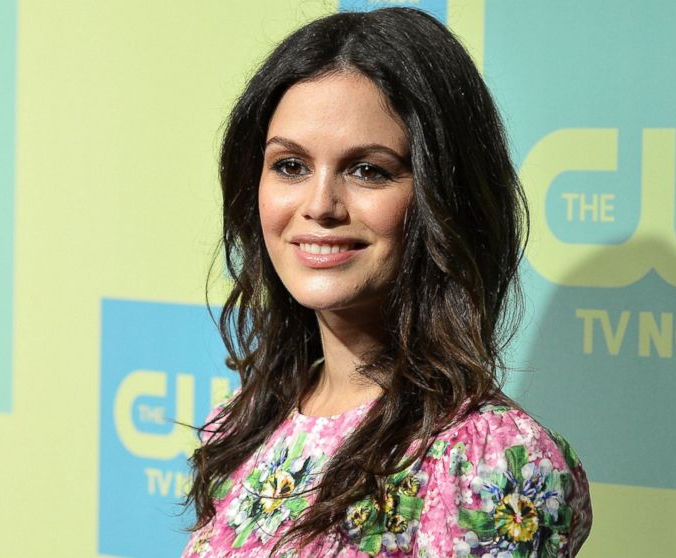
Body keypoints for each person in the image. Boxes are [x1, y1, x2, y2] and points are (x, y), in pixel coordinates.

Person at [183, 7, 592, 557]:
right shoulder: (239, 430)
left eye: (368, 170)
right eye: (290, 166)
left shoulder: (489, 462)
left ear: (442, 198)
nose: (320, 206)